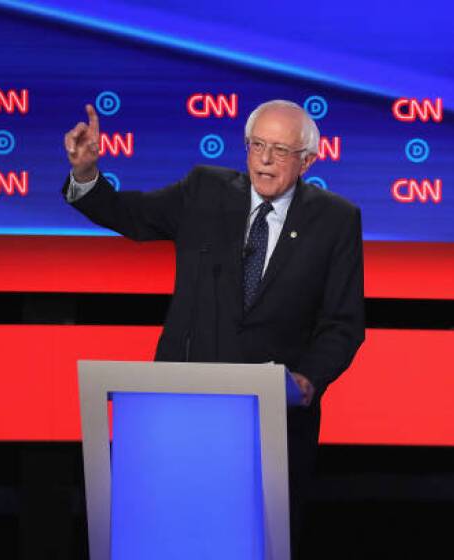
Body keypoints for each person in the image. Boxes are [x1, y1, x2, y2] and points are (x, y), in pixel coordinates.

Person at [62, 99, 365, 548]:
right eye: (257, 145)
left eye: (280, 150)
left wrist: (308, 379)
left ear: (308, 161)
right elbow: (132, 215)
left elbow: (343, 323)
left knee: (254, 542)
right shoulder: (206, 190)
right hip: (181, 414)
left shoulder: (336, 219)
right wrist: (87, 175)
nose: (264, 159)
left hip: (271, 425)